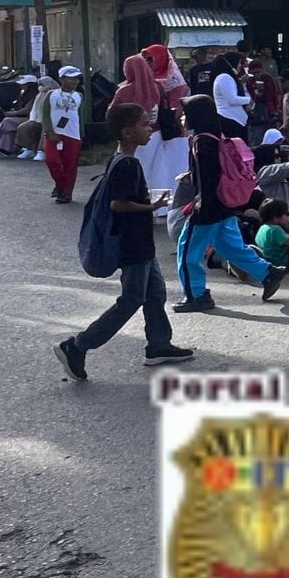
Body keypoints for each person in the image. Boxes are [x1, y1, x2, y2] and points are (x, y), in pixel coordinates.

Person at [53, 102, 192, 380]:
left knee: (156, 292)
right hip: (132, 245)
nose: (150, 129)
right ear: (128, 132)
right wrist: (151, 207)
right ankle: (78, 346)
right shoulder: (128, 164)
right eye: (144, 124)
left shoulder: (121, 158)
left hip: (140, 243)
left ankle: (158, 344)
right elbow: (118, 204)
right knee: (132, 299)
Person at [173, 95, 286, 312]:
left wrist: (199, 208)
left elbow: (207, 179)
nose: (182, 118)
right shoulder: (216, 135)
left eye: (185, 114)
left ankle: (196, 295)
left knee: (187, 252)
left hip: (207, 208)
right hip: (224, 205)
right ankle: (268, 273)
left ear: (196, 115)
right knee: (230, 247)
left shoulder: (201, 141)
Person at [110, 53, 183, 217]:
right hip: (155, 135)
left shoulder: (124, 90)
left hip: (131, 136)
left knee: (133, 170)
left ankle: (136, 204)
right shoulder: (156, 87)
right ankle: (159, 207)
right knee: (156, 170)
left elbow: (112, 112)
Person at [43, 65, 84, 205]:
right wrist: (49, 131)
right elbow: (45, 114)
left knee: (70, 166)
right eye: (71, 78)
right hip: (53, 134)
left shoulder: (79, 96)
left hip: (72, 135)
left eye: (77, 78)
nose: (75, 81)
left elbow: (80, 117)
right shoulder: (51, 94)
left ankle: (66, 193)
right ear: (61, 79)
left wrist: (81, 135)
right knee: (52, 161)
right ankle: (60, 184)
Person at [210, 52, 252, 140]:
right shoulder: (225, 77)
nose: (240, 66)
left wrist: (243, 84)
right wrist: (248, 100)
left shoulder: (228, 77)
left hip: (236, 120)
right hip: (229, 119)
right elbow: (232, 100)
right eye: (239, 63)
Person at [255, 199, 289, 269]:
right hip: (278, 261)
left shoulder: (262, 228)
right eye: (286, 214)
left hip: (266, 259)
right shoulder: (275, 229)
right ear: (275, 217)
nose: (287, 217)